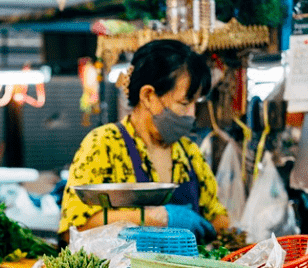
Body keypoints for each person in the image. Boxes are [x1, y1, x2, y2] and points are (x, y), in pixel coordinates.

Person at [59, 40, 230, 242]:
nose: (192, 114)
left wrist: (218, 228)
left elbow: (218, 218)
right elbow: (73, 230)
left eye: (196, 103)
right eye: (184, 103)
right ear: (148, 96)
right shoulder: (103, 144)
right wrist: (156, 219)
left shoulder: (188, 153)